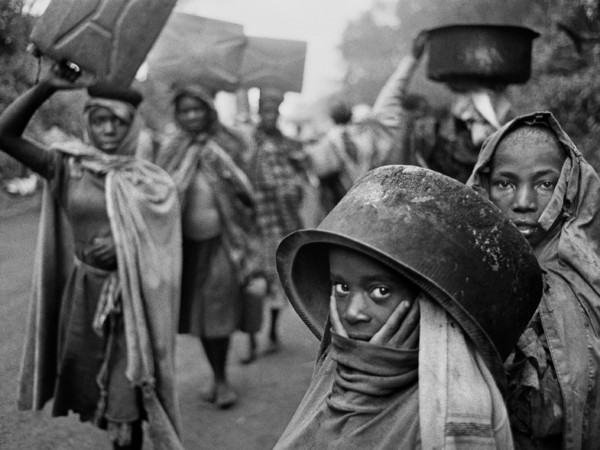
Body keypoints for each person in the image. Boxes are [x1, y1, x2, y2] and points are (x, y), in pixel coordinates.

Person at [274, 165, 543, 449]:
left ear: (429, 306)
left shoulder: (453, 407)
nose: (352, 312)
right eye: (341, 287)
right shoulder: (335, 369)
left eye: (380, 291)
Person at [0, 63, 184, 450]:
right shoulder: (67, 165)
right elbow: (4, 135)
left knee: (127, 398)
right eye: (99, 120)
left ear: (132, 126)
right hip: (84, 295)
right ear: (88, 122)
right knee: (95, 389)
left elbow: (165, 248)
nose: (108, 130)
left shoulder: (151, 181)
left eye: (118, 122)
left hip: (133, 301)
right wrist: (46, 87)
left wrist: (124, 246)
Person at [467, 111, 600, 450]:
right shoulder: (460, 276)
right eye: (505, 184)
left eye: (545, 184)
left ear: (569, 187)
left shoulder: (591, 278)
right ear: (483, 187)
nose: (524, 203)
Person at [148, 83, 266, 407]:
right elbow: (158, 192)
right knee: (200, 315)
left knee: (218, 310)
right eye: (185, 110)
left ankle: (222, 379)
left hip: (224, 243)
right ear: (178, 116)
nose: (192, 115)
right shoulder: (170, 150)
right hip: (186, 247)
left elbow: (247, 186)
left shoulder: (225, 143)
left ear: (208, 111)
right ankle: (215, 375)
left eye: (197, 109)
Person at [378, 31, 513, 183]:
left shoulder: (512, 135)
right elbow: (391, 177)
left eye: (493, 89)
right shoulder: (428, 132)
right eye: (464, 91)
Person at [244, 87, 311, 354]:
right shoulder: (248, 141)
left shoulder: (288, 143)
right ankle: (250, 339)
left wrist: (293, 184)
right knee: (250, 281)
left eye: (274, 111)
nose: (270, 116)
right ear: (258, 112)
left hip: (282, 221)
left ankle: (271, 332)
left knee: (277, 280)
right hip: (253, 221)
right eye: (265, 111)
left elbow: (304, 173)